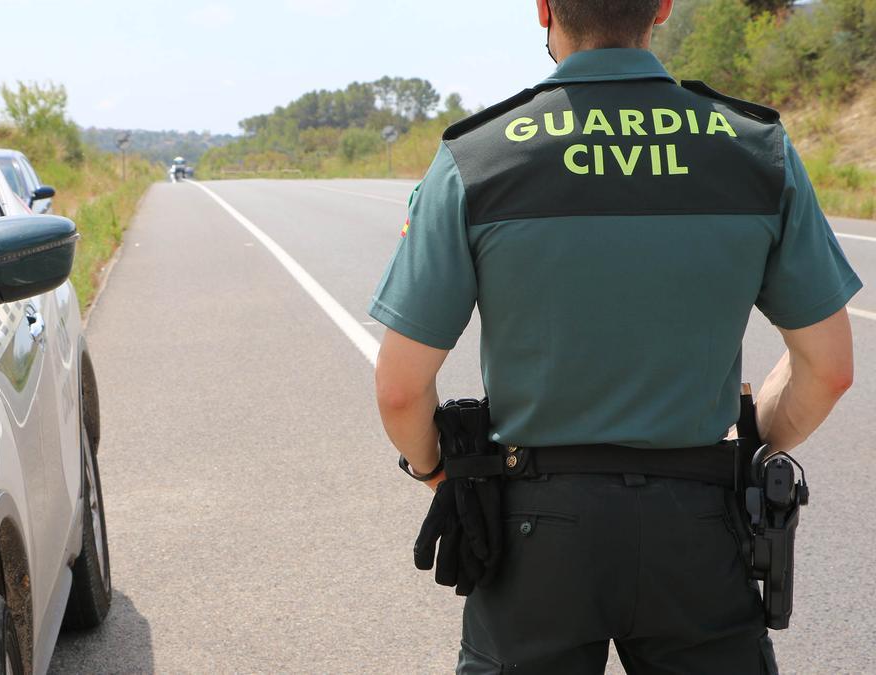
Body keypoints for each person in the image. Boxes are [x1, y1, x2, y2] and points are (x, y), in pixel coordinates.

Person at [368, 1, 859, 672]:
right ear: (662, 6)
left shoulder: (476, 158)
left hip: (533, 533)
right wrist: (754, 444)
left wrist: (443, 476)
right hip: (699, 530)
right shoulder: (756, 150)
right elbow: (828, 369)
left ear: (543, 7)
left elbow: (399, 388)